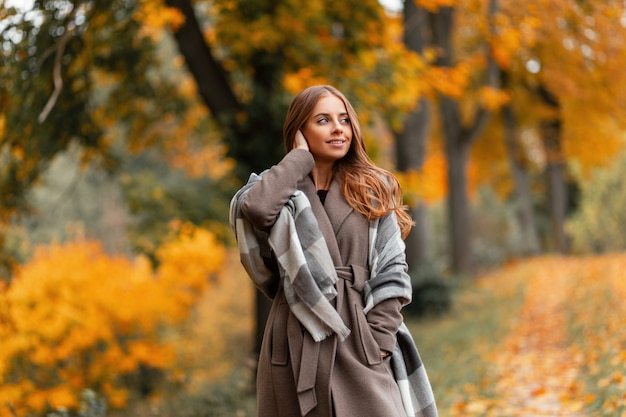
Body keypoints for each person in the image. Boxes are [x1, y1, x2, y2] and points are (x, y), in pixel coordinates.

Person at [230, 85, 437, 417]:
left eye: (344, 119)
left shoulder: (373, 189)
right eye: (323, 120)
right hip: (295, 336)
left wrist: (378, 343)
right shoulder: (281, 187)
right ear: (300, 131)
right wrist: (298, 159)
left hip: (359, 333)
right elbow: (257, 209)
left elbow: (392, 271)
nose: (338, 128)